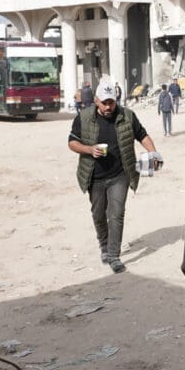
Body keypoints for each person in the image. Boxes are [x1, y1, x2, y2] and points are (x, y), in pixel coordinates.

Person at [68, 80, 161, 274]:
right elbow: (72, 143)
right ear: (96, 101)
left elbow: (142, 135)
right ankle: (104, 245)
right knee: (98, 214)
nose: (109, 106)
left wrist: (153, 153)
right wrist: (88, 149)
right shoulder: (83, 118)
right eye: (104, 103)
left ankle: (113, 255)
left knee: (116, 213)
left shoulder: (127, 116)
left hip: (121, 174)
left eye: (112, 102)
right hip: (94, 176)